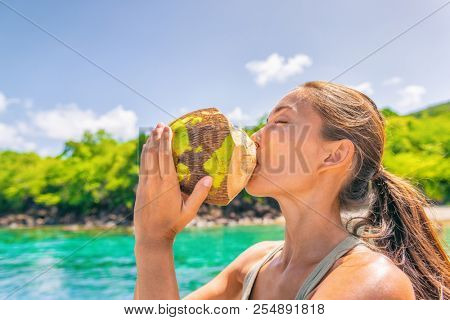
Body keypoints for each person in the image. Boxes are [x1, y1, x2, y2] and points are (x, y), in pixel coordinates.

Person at [133, 81, 449, 300]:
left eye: (281, 123)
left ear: (334, 155)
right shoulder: (252, 264)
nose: (256, 136)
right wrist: (153, 237)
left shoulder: (373, 283)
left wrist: (155, 241)